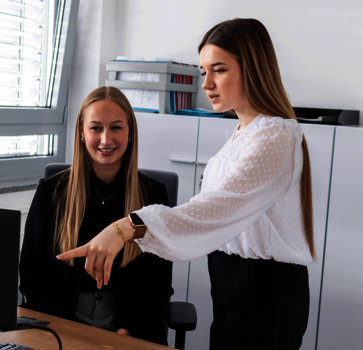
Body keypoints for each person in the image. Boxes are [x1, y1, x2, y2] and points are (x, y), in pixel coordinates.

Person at [58, 18, 314, 350]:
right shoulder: (241, 133)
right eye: (204, 71)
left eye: (218, 70)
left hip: (263, 286)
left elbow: (213, 210)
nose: (206, 83)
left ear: (251, 68)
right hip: (230, 280)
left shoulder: (276, 134)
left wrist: (125, 227)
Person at [19, 86, 174, 345]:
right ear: (81, 132)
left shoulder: (153, 195)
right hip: (62, 323)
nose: (105, 140)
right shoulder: (50, 192)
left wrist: (123, 336)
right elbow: (33, 277)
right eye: (95, 128)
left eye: (115, 127)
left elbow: (158, 285)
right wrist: (73, 333)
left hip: (131, 327)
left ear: (130, 132)